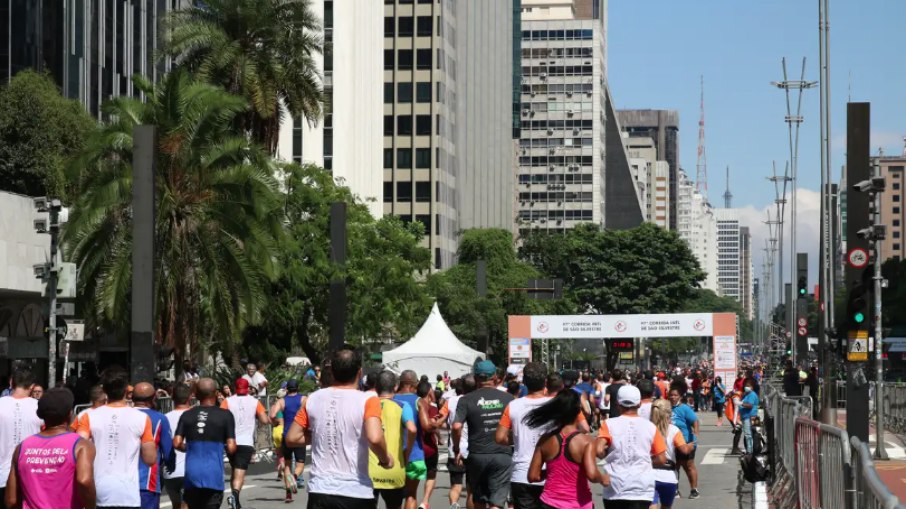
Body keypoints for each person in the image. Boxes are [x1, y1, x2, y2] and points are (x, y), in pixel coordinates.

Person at [285, 346, 395, 509]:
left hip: (320, 490)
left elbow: (292, 438)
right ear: (359, 373)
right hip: (356, 491)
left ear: (333, 373)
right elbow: (375, 437)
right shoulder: (368, 400)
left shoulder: (313, 399)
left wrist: (318, 434)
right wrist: (386, 459)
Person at [77, 367, 157, 509]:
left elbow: (77, 451)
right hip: (128, 493)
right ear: (127, 391)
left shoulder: (88, 416)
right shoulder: (142, 418)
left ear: (104, 390)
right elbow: (150, 459)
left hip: (98, 491)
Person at [4, 388, 96, 509]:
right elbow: (84, 480)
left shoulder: (22, 448)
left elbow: (11, 500)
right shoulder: (81, 446)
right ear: (69, 414)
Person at [592, 385, 668, 509]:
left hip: (615, 487)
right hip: (642, 487)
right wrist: (645, 461)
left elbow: (598, 449)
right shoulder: (650, 427)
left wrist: (611, 455)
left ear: (618, 404)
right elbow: (661, 458)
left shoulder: (609, 424)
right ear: (639, 404)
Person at [452, 360, 514, 509]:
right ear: (494, 377)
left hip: (477, 455)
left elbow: (456, 426)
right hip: (502, 454)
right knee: (497, 502)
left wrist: (456, 449)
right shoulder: (508, 398)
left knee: (478, 499)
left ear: (476, 378)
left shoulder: (466, 400)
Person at [525, 389, 598, 509]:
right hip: (579, 503)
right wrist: (604, 478)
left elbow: (533, 476)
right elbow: (592, 474)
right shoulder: (587, 442)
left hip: (549, 503)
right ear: (578, 412)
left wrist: (552, 472)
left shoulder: (545, 440)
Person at [174, 378, 237, 509]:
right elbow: (231, 447)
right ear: (217, 393)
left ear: (196, 393)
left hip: (192, 474)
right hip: (213, 474)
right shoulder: (225, 415)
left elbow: (177, 443)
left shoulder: (186, 414)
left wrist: (190, 447)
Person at [495, 362, 550, 509]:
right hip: (550, 473)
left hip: (521, 474)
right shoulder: (556, 405)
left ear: (524, 382)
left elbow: (500, 437)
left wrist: (517, 438)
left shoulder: (513, 405)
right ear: (545, 381)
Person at [370, 371, 417, 509]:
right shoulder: (402, 406)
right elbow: (412, 429)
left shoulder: (367, 405)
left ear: (376, 387)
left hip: (369, 469)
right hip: (395, 467)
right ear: (396, 387)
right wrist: (407, 453)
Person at [221, 378, 270, 509]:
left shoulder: (227, 401)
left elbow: (219, 417)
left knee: (234, 470)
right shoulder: (255, 402)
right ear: (248, 388)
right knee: (239, 472)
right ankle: (235, 496)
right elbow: (265, 420)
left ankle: (236, 502)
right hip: (246, 442)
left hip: (230, 441)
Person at [0, 369, 45, 507]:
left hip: (2, 476)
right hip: (32, 476)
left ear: (11, 382)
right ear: (32, 386)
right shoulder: (40, 407)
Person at [133, 382, 175, 509]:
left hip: (119, 484)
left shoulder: (122, 416)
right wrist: (171, 466)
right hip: (146, 482)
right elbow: (168, 452)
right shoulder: (159, 418)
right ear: (153, 398)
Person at [649, 399, 694, 509]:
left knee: (651, 504)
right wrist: (690, 446)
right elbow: (684, 450)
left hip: (649, 472)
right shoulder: (674, 430)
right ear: (669, 414)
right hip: (669, 475)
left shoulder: (647, 428)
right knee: (666, 506)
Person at [269, 379, 306, 501]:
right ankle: (294, 478)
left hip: (286, 436)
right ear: (298, 388)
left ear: (287, 389)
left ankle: (288, 494)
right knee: (300, 465)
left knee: (287, 465)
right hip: (299, 436)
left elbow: (273, 415)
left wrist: (275, 423)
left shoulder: (282, 401)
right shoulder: (303, 399)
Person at [395, 370, 426, 509]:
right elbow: (427, 425)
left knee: (393, 498)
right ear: (416, 383)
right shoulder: (418, 401)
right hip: (414, 454)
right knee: (411, 494)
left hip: (393, 454)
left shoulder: (391, 398)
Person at [445, 376, 474, 509]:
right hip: (473, 450)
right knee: (471, 490)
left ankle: (454, 504)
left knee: (455, 485)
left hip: (455, 449)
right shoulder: (477, 400)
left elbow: (442, 420)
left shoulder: (450, 402)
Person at [417, 380, 446, 509]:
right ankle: (425, 501)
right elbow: (433, 425)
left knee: (413, 478)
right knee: (431, 475)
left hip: (415, 448)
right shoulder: (432, 407)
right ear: (429, 392)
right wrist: (440, 437)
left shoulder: (413, 404)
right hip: (429, 448)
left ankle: (411, 499)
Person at [668, 386, 700, 499]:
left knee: (688, 466)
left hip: (685, 441)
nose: (672, 397)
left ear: (680, 397)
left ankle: (694, 490)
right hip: (671, 443)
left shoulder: (684, 408)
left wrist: (695, 435)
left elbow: (695, 421)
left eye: (675, 395)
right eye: (671, 395)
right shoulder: (667, 408)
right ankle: (675, 490)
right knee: (674, 466)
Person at [164, 383, 192, 509]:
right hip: (192, 470)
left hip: (170, 472)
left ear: (172, 397)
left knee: (176, 505)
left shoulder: (164, 418)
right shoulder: (198, 416)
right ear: (190, 397)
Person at [739, 379, 760, 454]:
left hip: (749, 416)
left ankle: (750, 450)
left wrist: (741, 403)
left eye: (748, 386)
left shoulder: (752, 394)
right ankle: (749, 448)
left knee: (748, 434)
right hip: (745, 416)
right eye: (745, 386)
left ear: (752, 387)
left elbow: (750, 405)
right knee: (747, 434)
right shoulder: (746, 394)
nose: (746, 387)